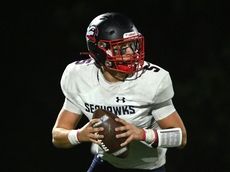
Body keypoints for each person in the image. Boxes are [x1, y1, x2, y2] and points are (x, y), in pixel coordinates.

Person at [52, 12, 187, 172]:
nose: (130, 52)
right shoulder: (78, 76)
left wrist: (143, 134)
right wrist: (79, 135)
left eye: (132, 45)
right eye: (121, 48)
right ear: (99, 51)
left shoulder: (152, 80)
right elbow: (57, 136)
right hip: (106, 163)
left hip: (148, 168)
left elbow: (181, 138)